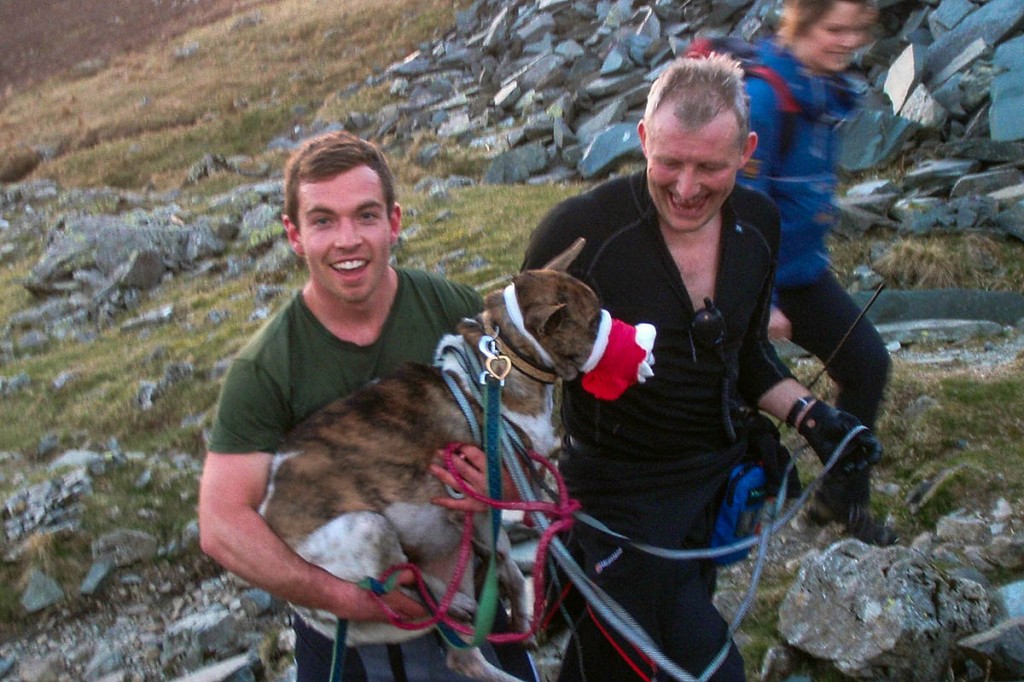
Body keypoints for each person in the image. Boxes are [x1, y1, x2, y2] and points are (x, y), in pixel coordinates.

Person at [521, 55, 883, 681]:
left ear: (746, 151)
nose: (687, 189)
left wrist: (815, 418)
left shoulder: (759, 226)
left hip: (708, 489)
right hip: (613, 504)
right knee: (700, 663)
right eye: (669, 163)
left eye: (711, 167)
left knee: (616, 657)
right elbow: (509, 360)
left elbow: (746, 357)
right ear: (642, 140)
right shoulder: (582, 231)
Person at [198, 130, 537, 682]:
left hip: (469, 598)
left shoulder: (453, 309)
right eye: (323, 220)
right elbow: (222, 525)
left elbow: (518, 440)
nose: (347, 240)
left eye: (366, 215)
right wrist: (348, 599)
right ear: (294, 235)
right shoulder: (265, 368)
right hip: (347, 630)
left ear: (394, 221)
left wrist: (498, 484)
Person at [737, 0, 896, 545]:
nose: (847, 41)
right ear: (800, 23)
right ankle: (724, 519)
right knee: (740, 393)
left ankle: (839, 501)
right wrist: (764, 299)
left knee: (868, 365)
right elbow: (744, 207)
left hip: (805, 273)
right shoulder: (764, 97)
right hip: (759, 281)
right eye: (834, 28)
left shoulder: (823, 88)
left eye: (856, 30)